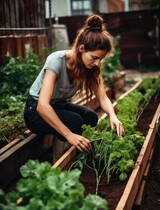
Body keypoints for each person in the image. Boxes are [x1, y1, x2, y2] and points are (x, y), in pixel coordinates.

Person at [24, 14, 124, 163]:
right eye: (95, 57)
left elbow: (102, 97)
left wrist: (113, 116)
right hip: (35, 112)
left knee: (90, 117)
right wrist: (69, 134)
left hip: (58, 105)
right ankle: (58, 164)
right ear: (82, 48)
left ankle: (69, 145)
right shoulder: (56, 60)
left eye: (100, 59)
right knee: (74, 121)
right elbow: (42, 106)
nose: (97, 63)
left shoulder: (91, 67)